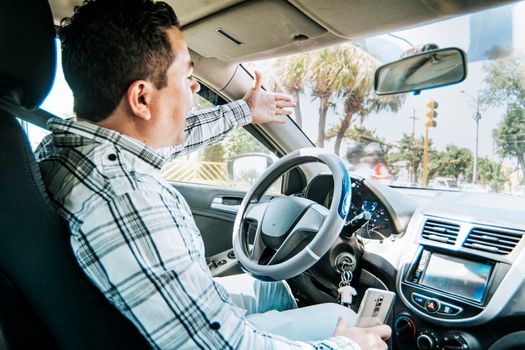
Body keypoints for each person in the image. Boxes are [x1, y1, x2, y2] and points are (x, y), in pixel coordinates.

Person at [36, 0, 391, 349]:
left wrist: (246, 110)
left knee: (272, 287)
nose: (194, 89)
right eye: (188, 76)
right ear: (141, 99)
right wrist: (348, 345)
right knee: (339, 320)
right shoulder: (131, 199)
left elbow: (169, 140)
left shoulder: (65, 151)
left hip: (142, 322)